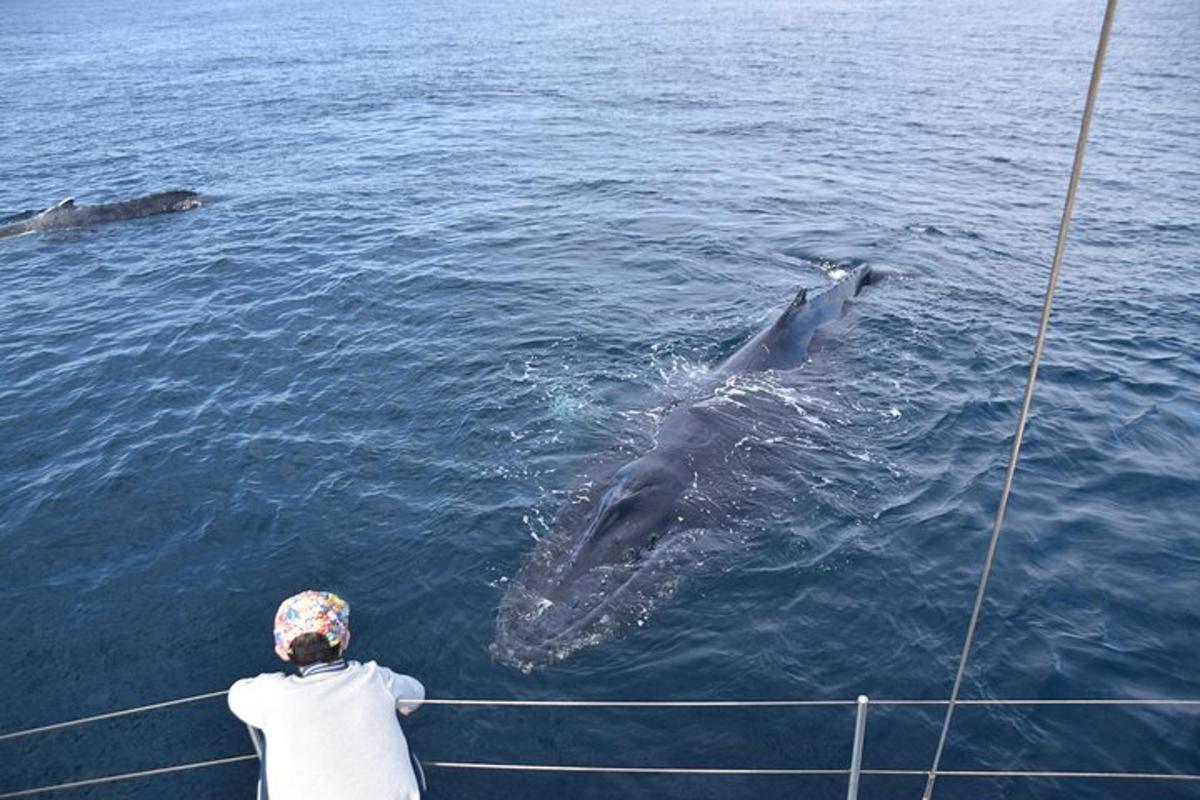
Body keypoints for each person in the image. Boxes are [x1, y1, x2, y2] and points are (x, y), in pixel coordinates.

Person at [228, 589, 426, 800]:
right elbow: (417, 694)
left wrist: (272, 681)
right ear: (346, 639)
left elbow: (236, 693)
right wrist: (403, 705)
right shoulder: (376, 678)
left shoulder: (269, 694)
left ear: (282, 652)